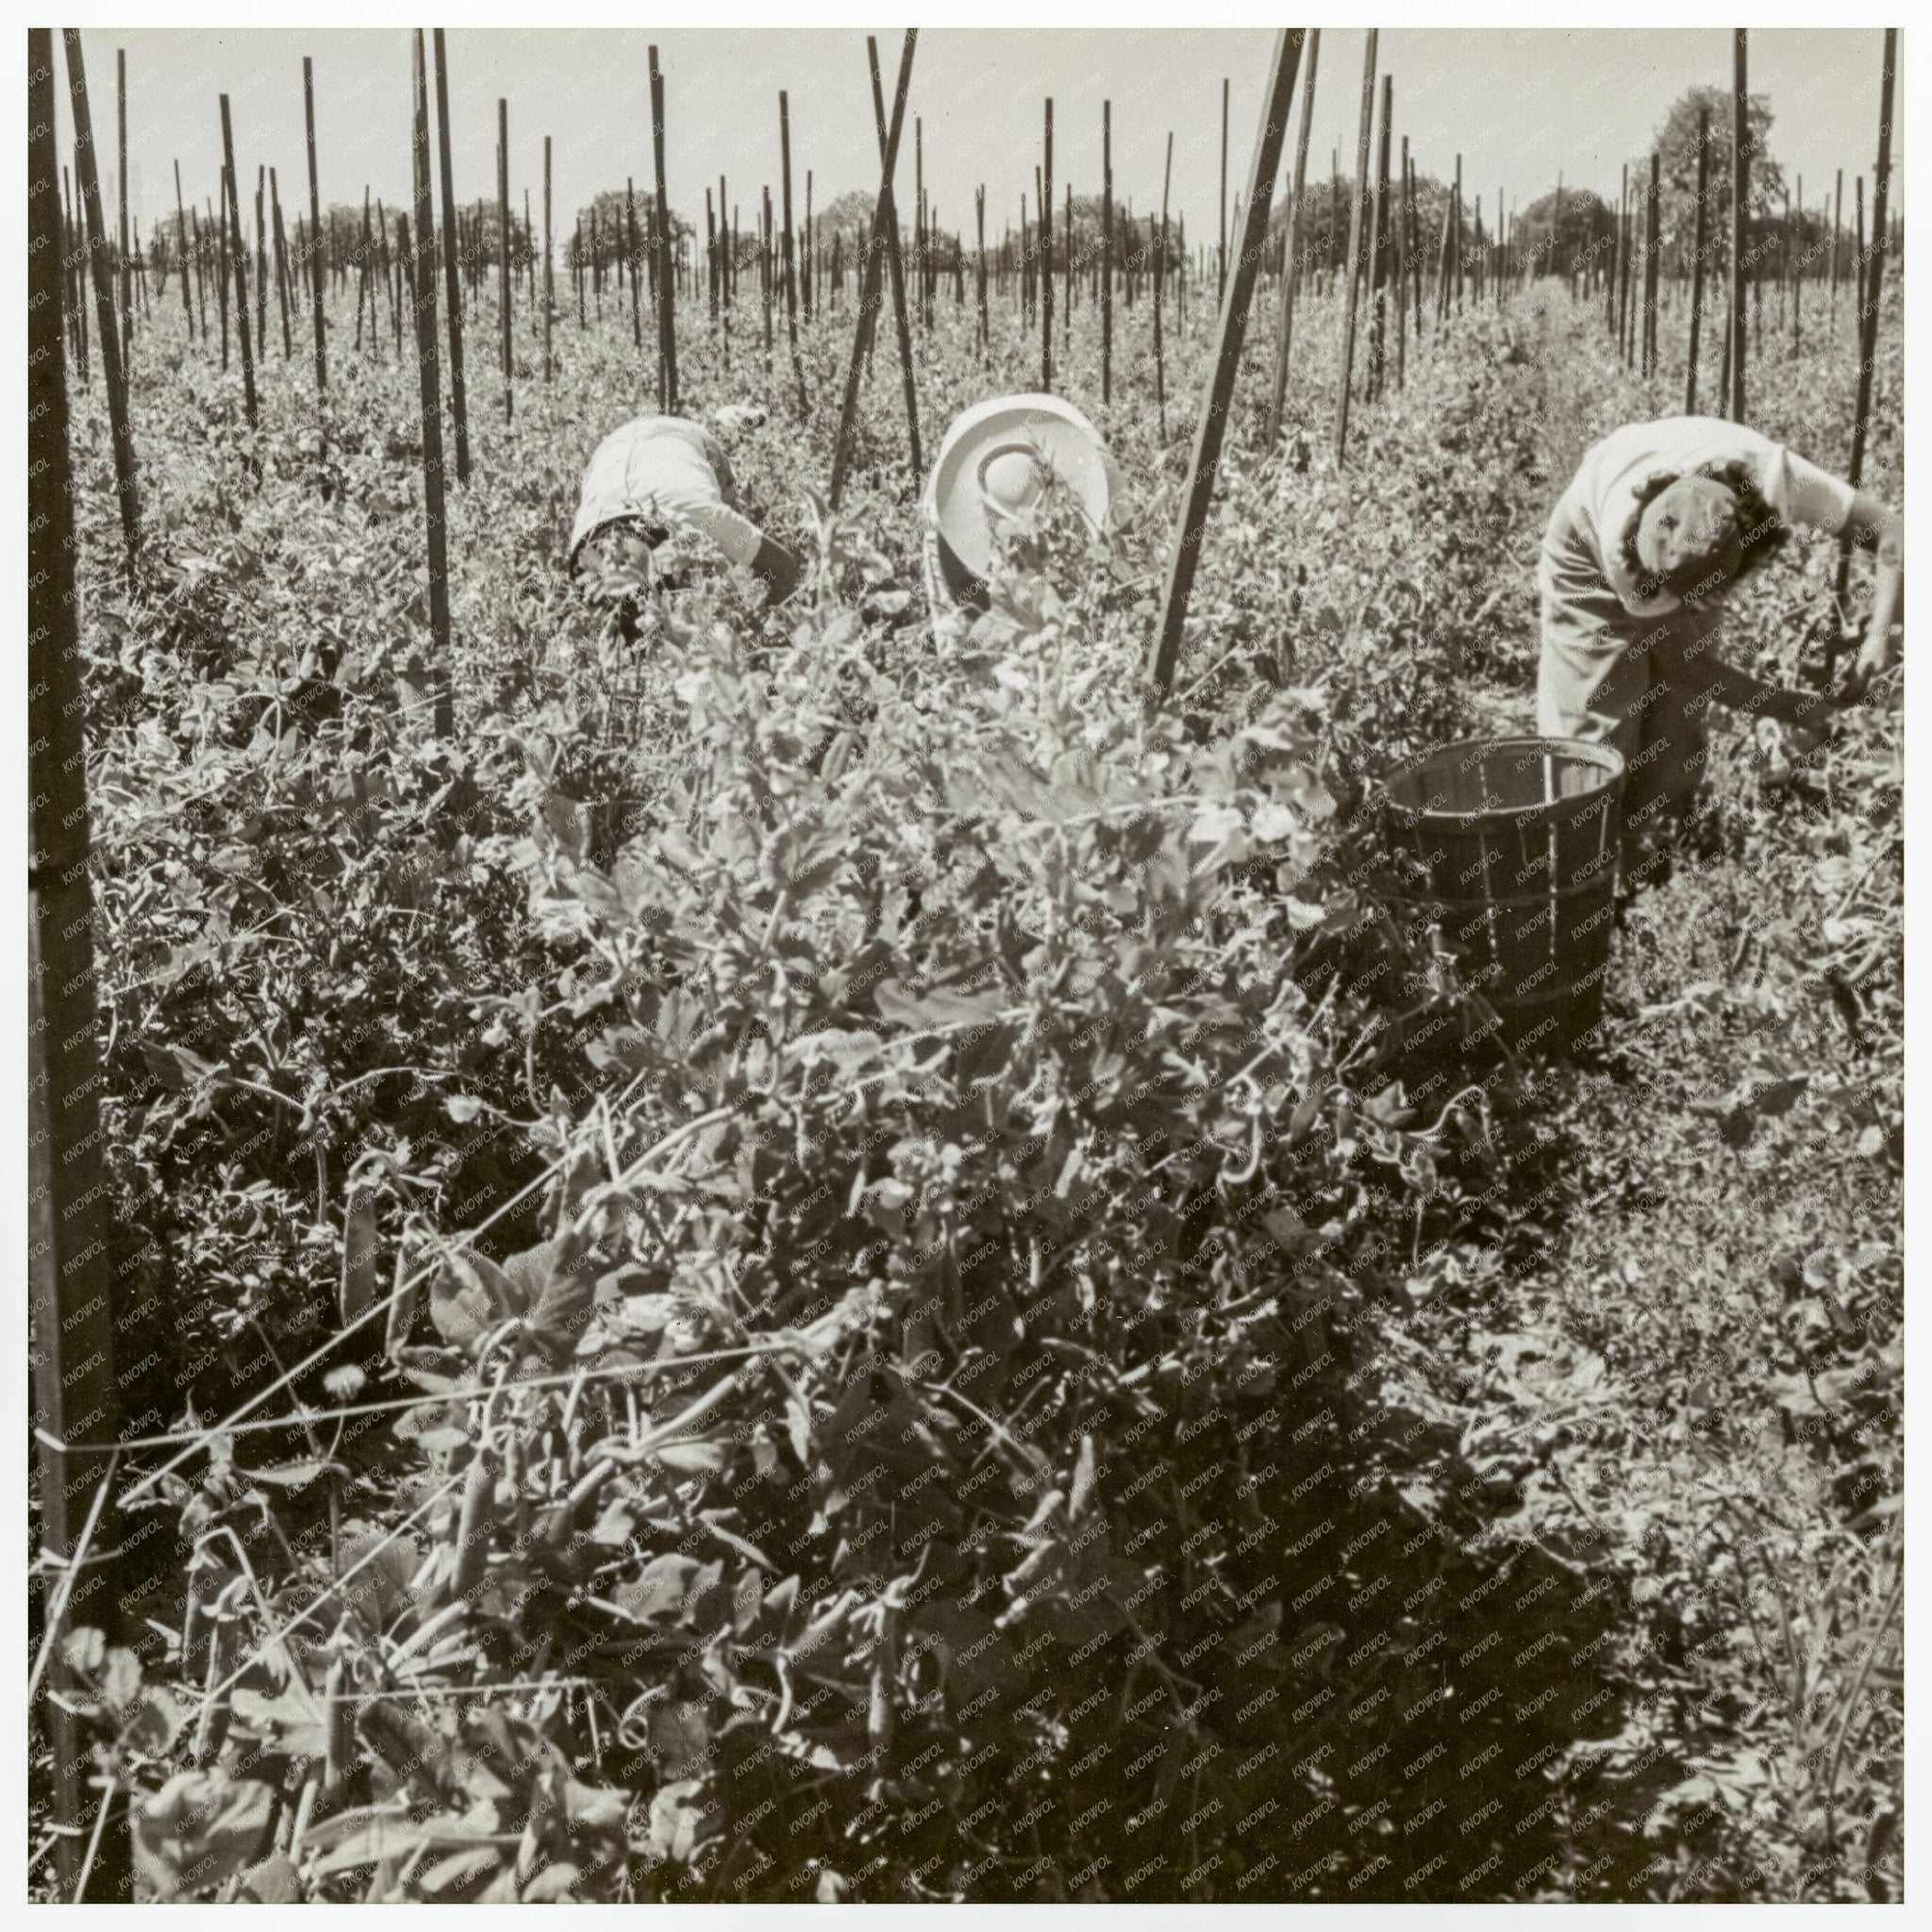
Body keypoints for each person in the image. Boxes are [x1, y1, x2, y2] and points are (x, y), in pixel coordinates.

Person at [1538, 415, 1901, 869]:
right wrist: (1792, 706)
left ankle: (1648, 877)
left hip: (1692, 554)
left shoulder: (1778, 480)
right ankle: (1577, 886)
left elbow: (1894, 532)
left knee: (1675, 740)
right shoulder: (1625, 537)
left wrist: (1879, 638)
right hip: (1586, 554)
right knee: (1594, 744)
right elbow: (1681, 664)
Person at [568, 410, 803, 634]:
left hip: (674, 438)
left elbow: (782, 568)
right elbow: (783, 569)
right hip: (613, 453)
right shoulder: (585, 550)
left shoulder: (702, 515)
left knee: (725, 543)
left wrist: (764, 626)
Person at [921, 393, 1124, 617]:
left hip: (1058, 419)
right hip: (963, 445)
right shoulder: (946, 517)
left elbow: (1117, 571)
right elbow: (961, 603)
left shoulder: (1102, 478)